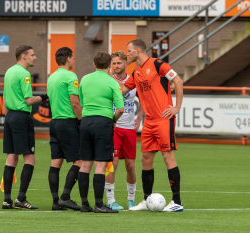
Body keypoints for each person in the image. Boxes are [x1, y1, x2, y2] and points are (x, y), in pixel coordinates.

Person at [114, 39, 184, 212]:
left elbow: (178, 82)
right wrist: (105, 76)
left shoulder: (158, 64)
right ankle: (146, 200)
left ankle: (177, 202)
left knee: (168, 158)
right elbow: (122, 90)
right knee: (146, 159)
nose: (127, 53)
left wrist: (176, 107)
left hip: (163, 119)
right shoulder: (136, 72)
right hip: (149, 122)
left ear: (138, 50)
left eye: (129, 50)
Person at [2, 45, 48, 210]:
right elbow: (28, 100)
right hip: (21, 117)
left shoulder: (9, 71)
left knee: (11, 159)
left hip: (9, 117)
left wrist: (9, 117)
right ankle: (21, 198)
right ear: (23, 56)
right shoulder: (24, 74)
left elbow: (5, 101)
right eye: (32, 55)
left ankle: (7, 200)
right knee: (30, 158)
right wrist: (45, 96)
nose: (35, 58)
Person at [77, 52, 124, 213]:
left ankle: (84, 204)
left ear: (94, 64)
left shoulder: (84, 79)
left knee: (85, 164)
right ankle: (99, 204)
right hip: (103, 123)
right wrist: (113, 119)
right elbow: (120, 109)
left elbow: (82, 102)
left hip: (86, 122)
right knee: (101, 165)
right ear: (110, 64)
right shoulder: (112, 82)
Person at [105, 51, 144, 210]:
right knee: (112, 163)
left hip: (129, 129)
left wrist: (139, 116)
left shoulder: (133, 80)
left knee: (131, 166)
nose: (116, 66)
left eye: (119, 63)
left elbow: (143, 98)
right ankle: (110, 200)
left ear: (126, 63)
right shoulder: (108, 80)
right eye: (113, 63)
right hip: (114, 127)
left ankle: (131, 199)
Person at [47, 47, 82, 211]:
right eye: (73, 57)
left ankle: (55, 201)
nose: (73, 60)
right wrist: (82, 120)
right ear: (68, 58)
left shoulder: (51, 77)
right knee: (79, 161)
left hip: (54, 122)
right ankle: (65, 197)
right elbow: (74, 103)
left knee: (56, 162)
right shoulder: (71, 76)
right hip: (68, 122)